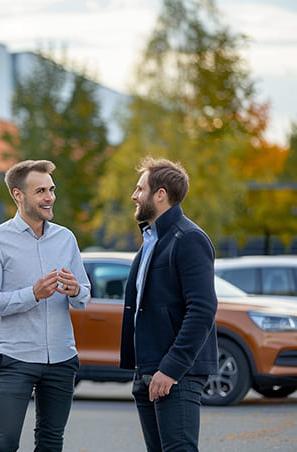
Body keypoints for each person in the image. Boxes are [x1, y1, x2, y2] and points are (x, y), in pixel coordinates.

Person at [0, 159, 90, 452]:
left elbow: (84, 296)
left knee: (51, 443)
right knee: (4, 444)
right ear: (18, 195)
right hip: (16, 359)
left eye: (51, 189)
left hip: (62, 358)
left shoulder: (66, 238)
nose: (49, 197)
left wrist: (76, 290)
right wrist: (32, 294)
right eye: (40, 191)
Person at [120, 156, 218, 451]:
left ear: (160, 195)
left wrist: (171, 369)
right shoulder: (150, 241)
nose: (134, 196)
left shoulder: (188, 239)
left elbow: (202, 309)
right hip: (148, 370)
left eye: (140, 189)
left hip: (176, 374)